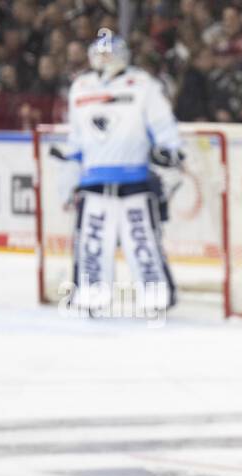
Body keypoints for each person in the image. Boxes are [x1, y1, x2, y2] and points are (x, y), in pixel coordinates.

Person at [60, 31, 182, 315]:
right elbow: (76, 139)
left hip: (134, 181)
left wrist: (170, 150)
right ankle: (91, 296)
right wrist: (67, 179)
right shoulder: (81, 86)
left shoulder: (142, 84)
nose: (104, 58)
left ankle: (156, 296)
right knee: (92, 244)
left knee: (142, 241)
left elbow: (164, 125)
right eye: (99, 53)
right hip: (93, 182)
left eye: (109, 53)